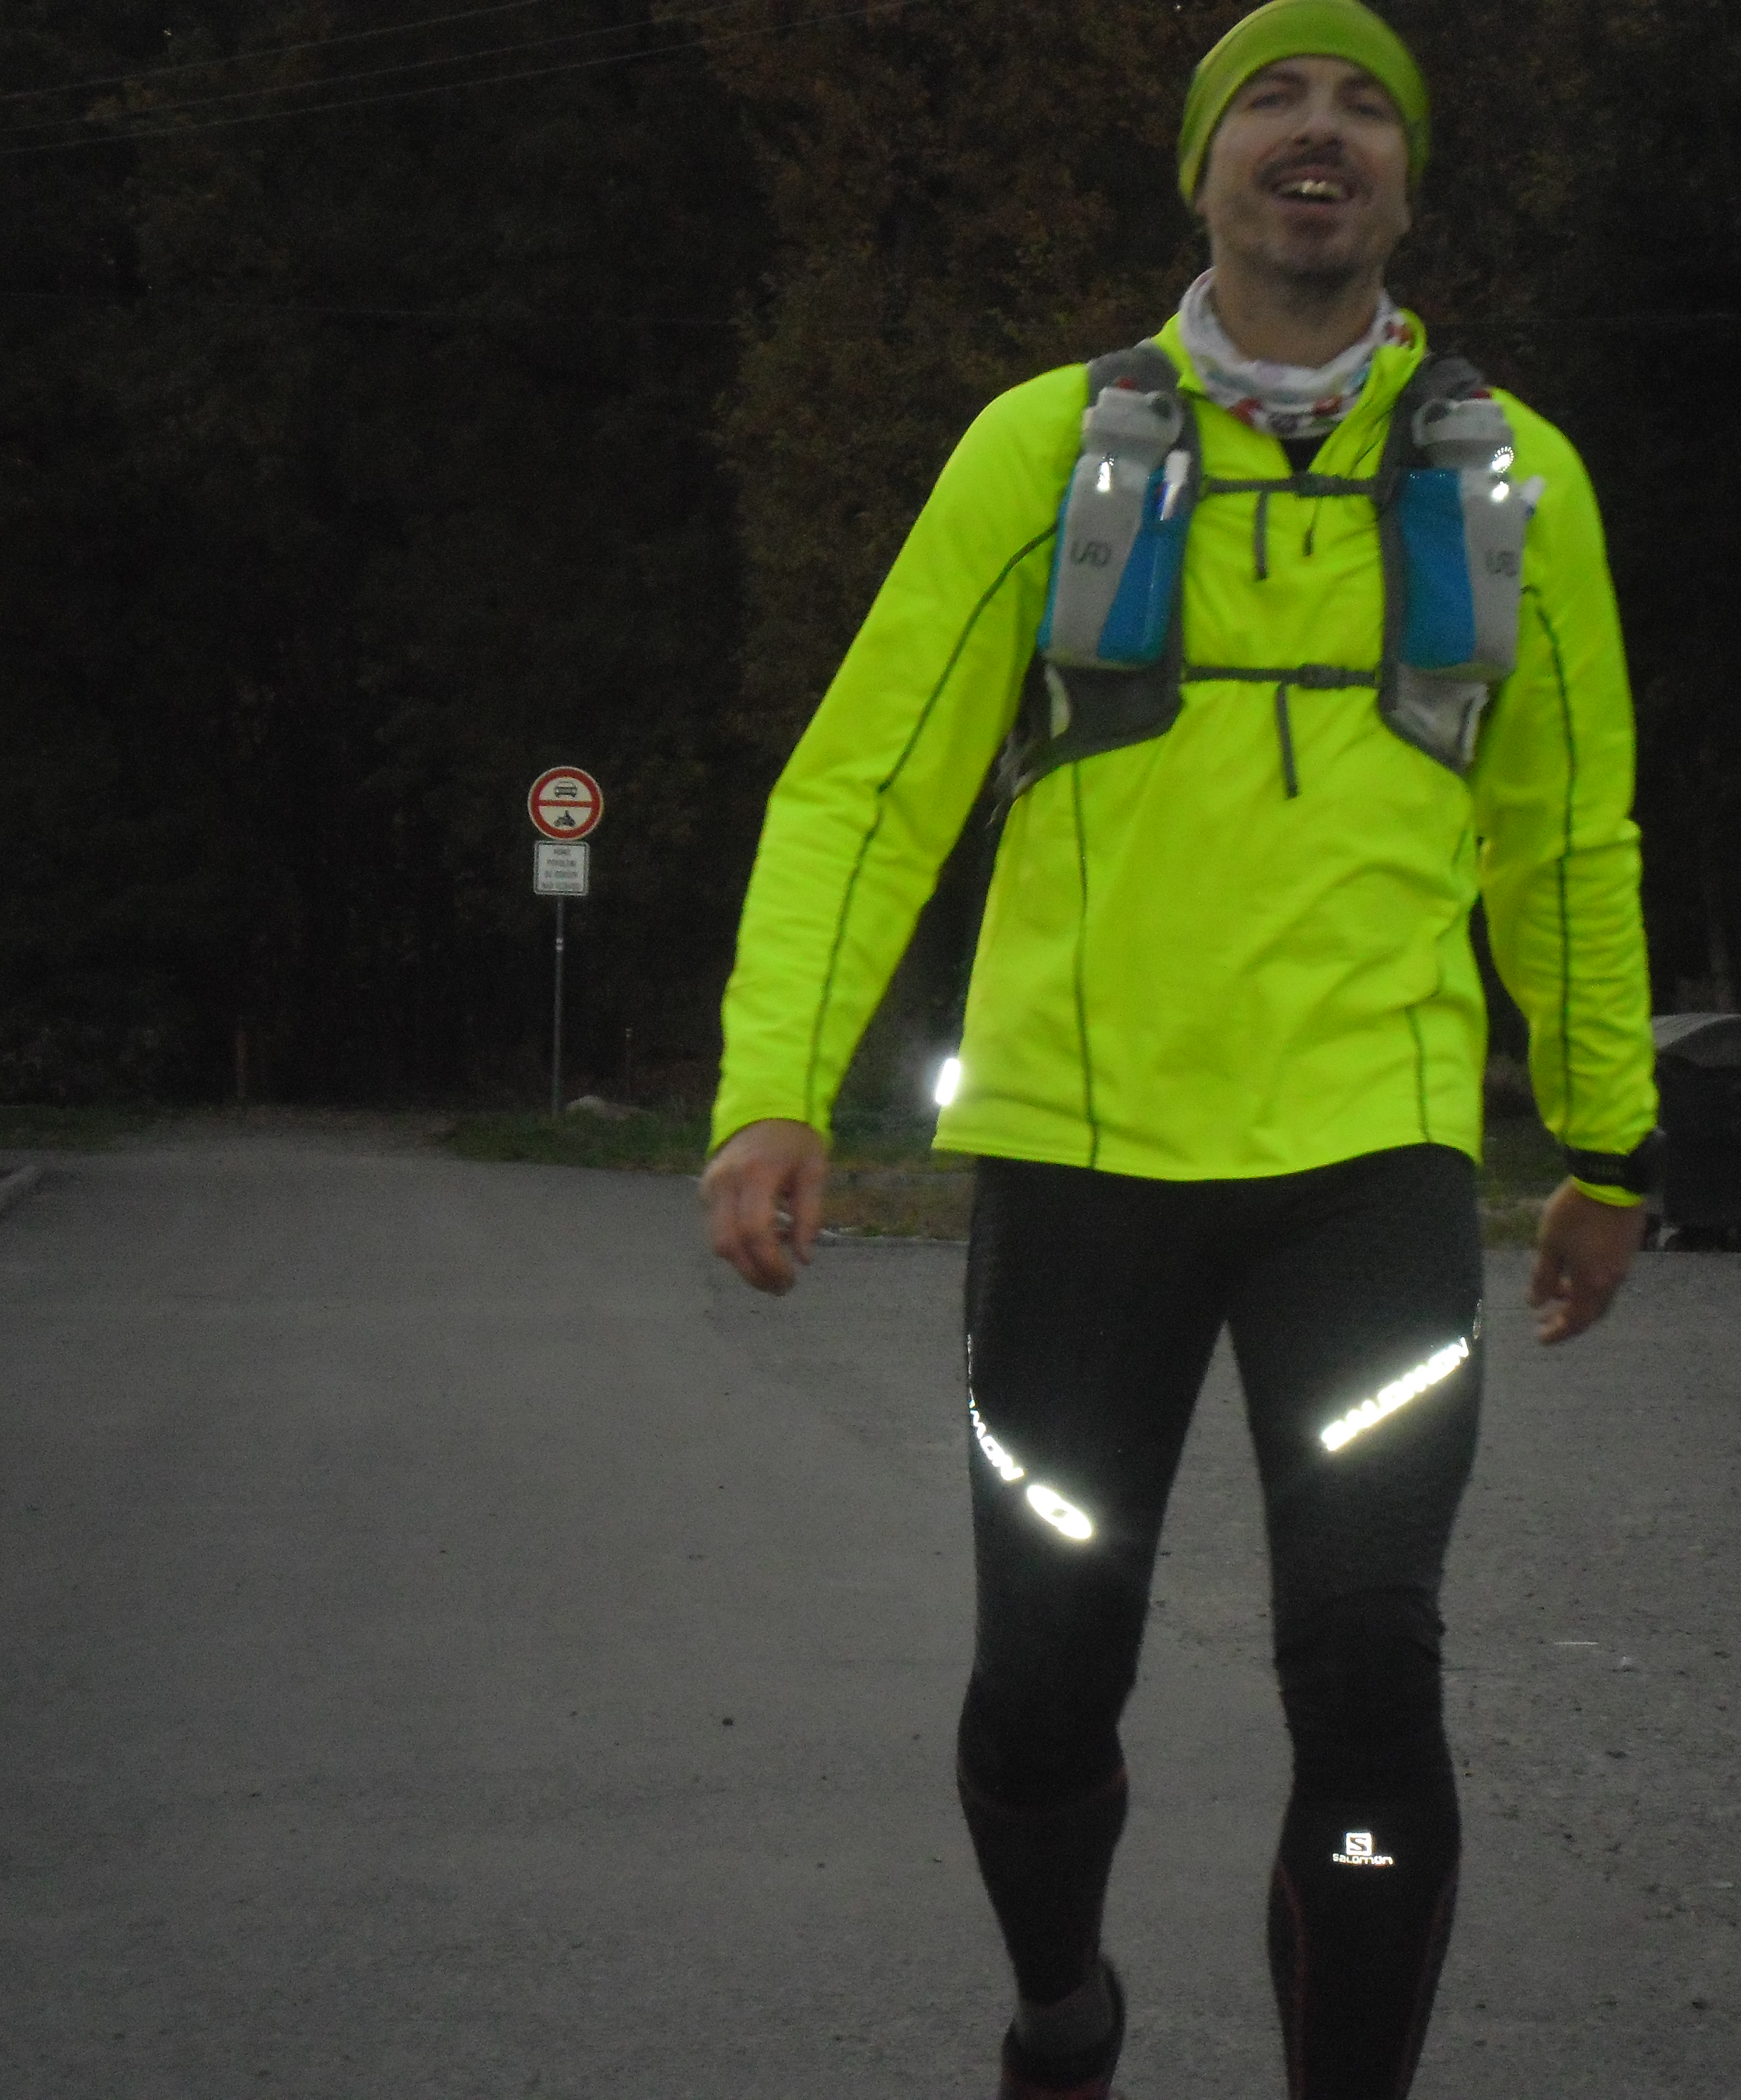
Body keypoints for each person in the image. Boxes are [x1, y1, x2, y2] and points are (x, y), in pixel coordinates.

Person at [700, 4, 1657, 2092]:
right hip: (1082, 1164)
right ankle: (1064, 2005)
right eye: (1273, 102)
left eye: (1366, 106)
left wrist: (1609, 1139)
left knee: (1373, 1678)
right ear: (1203, 167)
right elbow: (865, 788)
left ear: (1409, 178)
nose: (1321, 135)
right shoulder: (1046, 453)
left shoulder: (1510, 478)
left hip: (1371, 1168)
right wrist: (776, 1087)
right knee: (1048, 1681)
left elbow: (1567, 832)